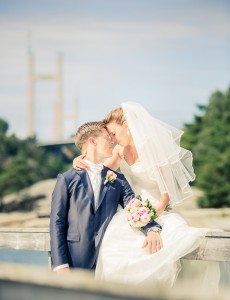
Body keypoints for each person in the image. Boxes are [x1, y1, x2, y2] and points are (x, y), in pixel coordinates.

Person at [73, 102, 220, 289]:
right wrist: (82, 159)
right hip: (130, 210)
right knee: (112, 249)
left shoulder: (152, 148)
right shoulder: (120, 151)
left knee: (157, 251)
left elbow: (166, 195)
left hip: (157, 210)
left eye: (114, 134)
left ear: (126, 126)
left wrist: (150, 220)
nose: (113, 139)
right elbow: (100, 171)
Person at [50, 121, 162, 273]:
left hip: (108, 260)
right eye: (107, 137)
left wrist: (152, 229)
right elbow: (57, 222)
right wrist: (60, 265)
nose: (112, 141)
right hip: (75, 258)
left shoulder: (118, 180)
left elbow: (134, 207)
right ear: (92, 141)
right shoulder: (67, 179)